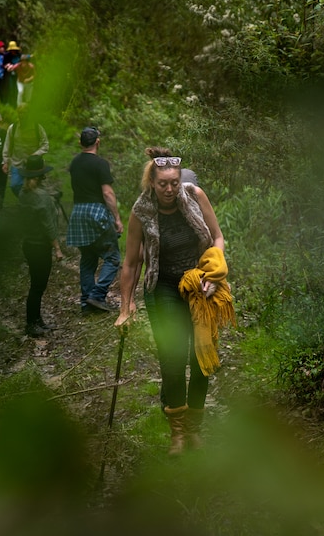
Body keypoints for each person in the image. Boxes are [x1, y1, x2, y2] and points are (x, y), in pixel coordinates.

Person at [114, 147, 229, 456]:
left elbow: (217, 238)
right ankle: (177, 432)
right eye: (163, 183)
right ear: (152, 182)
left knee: (203, 359)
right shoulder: (141, 211)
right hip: (162, 288)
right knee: (173, 357)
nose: (169, 189)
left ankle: (194, 429)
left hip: (199, 285)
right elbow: (130, 263)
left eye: (174, 182)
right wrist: (126, 308)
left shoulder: (194, 196)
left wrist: (214, 272)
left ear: (180, 180)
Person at [66, 127, 122, 313]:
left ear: (80, 143)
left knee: (88, 259)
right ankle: (97, 296)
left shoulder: (74, 163)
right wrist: (117, 218)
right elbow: (107, 193)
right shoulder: (100, 164)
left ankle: (86, 303)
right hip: (96, 213)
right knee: (113, 258)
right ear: (97, 142)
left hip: (78, 214)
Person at [18, 154, 64, 337]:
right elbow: (49, 225)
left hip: (28, 245)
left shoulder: (23, 193)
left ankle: (37, 320)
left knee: (35, 285)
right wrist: (58, 248)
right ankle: (31, 323)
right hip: (40, 247)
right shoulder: (42, 197)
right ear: (40, 176)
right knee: (38, 286)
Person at [1, 104, 48, 198]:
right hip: (17, 162)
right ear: (18, 114)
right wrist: (5, 162)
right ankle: (26, 201)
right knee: (14, 185)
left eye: (24, 113)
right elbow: (7, 145)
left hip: (33, 165)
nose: (22, 115)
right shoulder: (13, 128)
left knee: (35, 187)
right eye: (20, 113)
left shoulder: (37, 128)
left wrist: (35, 155)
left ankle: (35, 205)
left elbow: (45, 144)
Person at [1, 41, 22, 107]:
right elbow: (4, 64)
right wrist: (8, 66)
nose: (13, 51)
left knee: (18, 90)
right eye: (11, 50)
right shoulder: (6, 55)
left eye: (14, 50)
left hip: (18, 74)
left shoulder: (19, 55)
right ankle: (11, 103)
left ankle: (17, 104)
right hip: (10, 75)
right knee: (11, 89)